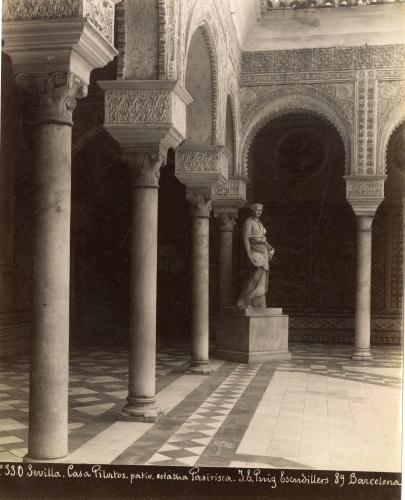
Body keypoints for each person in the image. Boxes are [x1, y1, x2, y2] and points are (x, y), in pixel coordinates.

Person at [236, 203, 275, 308]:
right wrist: (248, 254)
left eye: (260, 210)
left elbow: (263, 239)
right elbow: (246, 238)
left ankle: (258, 303)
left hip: (263, 253)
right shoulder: (248, 222)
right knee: (255, 277)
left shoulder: (260, 223)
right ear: (252, 210)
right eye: (257, 210)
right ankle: (244, 300)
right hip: (255, 252)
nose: (259, 212)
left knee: (262, 278)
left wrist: (270, 248)